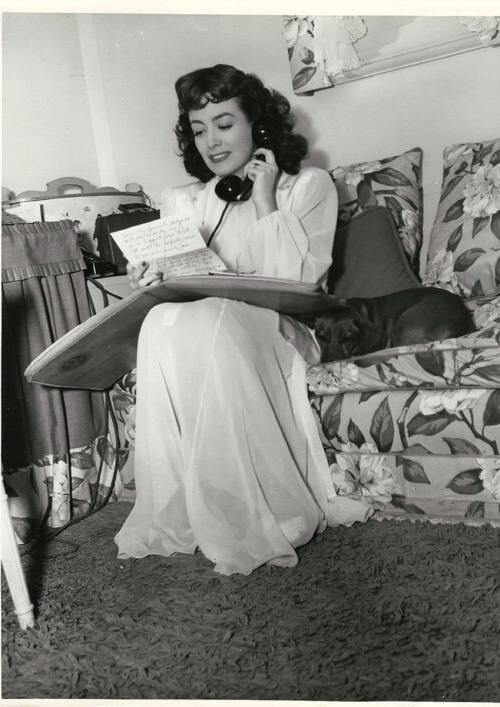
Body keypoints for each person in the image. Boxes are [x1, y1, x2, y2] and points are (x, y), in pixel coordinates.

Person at [114, 64, 372, 576]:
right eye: (199, 127)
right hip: (206, 327)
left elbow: (299, 284)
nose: (211, 140)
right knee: (161, 319)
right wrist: (150, 274)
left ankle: (271, 508)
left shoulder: (309, 186)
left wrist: (264, 198)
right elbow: (176, 286)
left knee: (206, 319)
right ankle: (193, 505)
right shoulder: (186, 200)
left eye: (224, 123)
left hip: (282, 330)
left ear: (258, 125)